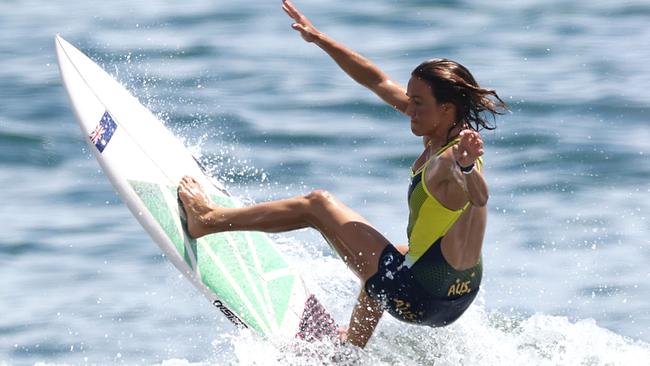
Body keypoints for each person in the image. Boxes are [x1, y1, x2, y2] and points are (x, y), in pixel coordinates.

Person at [178, 0, 507, 348]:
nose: (407, 107)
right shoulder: (443, 129)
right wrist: (319, 38)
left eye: (417, 102)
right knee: (391, 252)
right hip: (456, 297)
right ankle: (352, 348)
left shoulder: (450, 160)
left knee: (318, 205)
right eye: (409, 98)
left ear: (446, 108)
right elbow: (377, 80)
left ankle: (208, 220)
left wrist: (467, 167)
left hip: (420, 298)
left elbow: (479, 196)